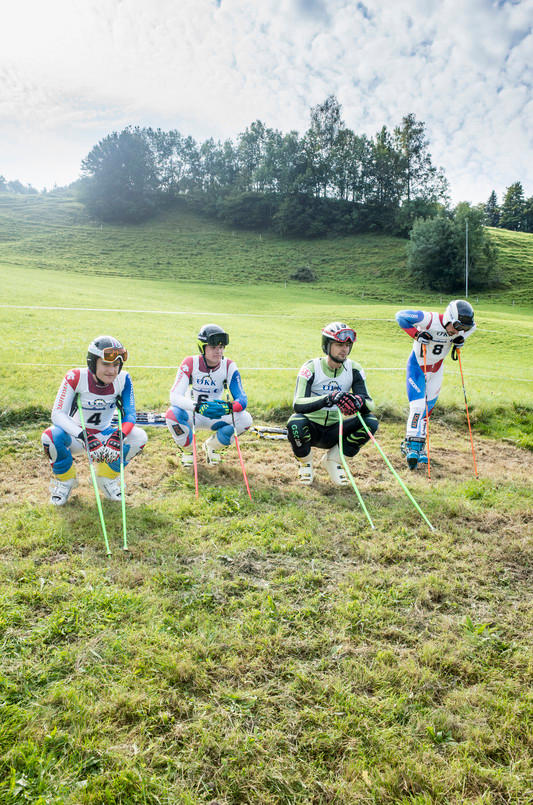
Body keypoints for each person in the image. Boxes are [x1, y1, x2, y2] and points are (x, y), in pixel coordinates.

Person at [41, 336, 147, 505]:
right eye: (106, 364)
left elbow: (130, 414)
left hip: (104, 435)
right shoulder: (75, 377)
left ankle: (104, 478)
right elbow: (57, 414)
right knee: (50, 436)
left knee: (139, 437)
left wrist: (119, 435)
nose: (112, 370)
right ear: (92, 362)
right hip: (77, 436)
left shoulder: (124, 379)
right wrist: (84, 436)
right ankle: (66, 481)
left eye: (116, 365)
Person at [287, 322, 379, 486]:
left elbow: (370, 404)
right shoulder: (311, 367)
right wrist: (329, 398)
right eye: (339, 344)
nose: (344, 349)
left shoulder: (354, 369)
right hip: (312, 427)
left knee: (370, 422)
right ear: (326, 346)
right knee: (295, 422)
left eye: (347, 345)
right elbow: (298, 403)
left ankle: (333, 461)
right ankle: (305, 464)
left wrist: (358, 401)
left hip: (336, 428)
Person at [396, 299, 476, 469]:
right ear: (449, 317)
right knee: (417, 407)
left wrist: (460, 339)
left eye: (464, 328)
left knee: (427, 410)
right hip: (418, 367)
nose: (459, 330)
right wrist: (416, 334)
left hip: (436, 369)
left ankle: (420, 446)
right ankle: (411, 445)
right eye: (457, 326)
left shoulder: (461, 330)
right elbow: (401, 316)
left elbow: (470, 329)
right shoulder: (429, 319)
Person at [165, 324, 252, 466]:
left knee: (246, 419)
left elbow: (242, 399)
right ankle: (188, 451)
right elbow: (174, 396)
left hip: (216, 413)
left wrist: (228, 408)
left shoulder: (229, 365)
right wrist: (197, 407)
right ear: (202, 347)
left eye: (221, 347)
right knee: (171, 415)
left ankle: (212, 446)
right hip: (194, 413)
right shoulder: (190, 362)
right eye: (213, 348)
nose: (218, 351)